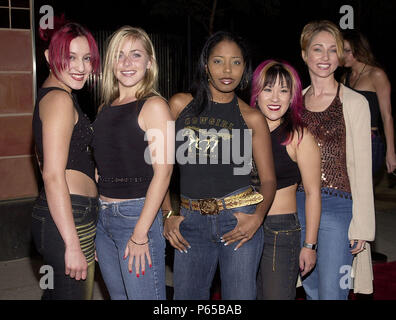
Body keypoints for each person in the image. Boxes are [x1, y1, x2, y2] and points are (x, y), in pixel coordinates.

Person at [162, 31, 276, 300]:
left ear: (244, 68)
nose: (227, 70)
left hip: (238, 219)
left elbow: (269, 180)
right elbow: (161, 169)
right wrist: (166, 215)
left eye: (236, 62)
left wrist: (257, 218)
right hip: (189, 221)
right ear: (205, 66)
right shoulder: (179, 106)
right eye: (218, 61)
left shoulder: (252, 118)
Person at [92, 26, 173, 300]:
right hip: (104, 220)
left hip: (138, 218)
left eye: (136, 55)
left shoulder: (155, 107)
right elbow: (99, 168)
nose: (127, 63)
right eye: (120, 55)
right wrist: (95, 223)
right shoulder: (105, 109)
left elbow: (164, 173)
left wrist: (140, 234)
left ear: (149, 62)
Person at [297, 20, 375, 300]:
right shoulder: (293, 102)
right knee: (311, 289)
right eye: (318, 49)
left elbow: (363, 169)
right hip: (299, 205)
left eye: (333, 50)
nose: (326, 57)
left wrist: (362, 226)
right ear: (305, 54)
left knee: (334, 291)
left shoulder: (355, 103)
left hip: (339, 206)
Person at [31, 21, 101, 300]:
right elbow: (51, 174)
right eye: (70, 57)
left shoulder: (54, 95)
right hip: (69, 216)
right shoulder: (59, 100)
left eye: (86, 58)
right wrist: (72, 243)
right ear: (49, 57)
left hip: (70, 215)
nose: (81, 67)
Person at [250, 60, 321, 300]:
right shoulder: (243, 131)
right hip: (244, 227)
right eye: (268, 89)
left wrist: (310, 245)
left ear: (292, 97)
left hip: (281, 231)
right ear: (256, 94)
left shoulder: (299, 136)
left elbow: (312, 193)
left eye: (283, 90)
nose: (275, 97)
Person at [342, 29, 396, 176]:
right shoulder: (345, 77)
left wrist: (390, 152)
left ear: (358, 49)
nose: (342, 55)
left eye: (347, 51)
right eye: (341, 50)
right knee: (347, 195)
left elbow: (387, 116)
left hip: (368, 142)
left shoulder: (376, 75)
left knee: (361, 192)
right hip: (347, 142)